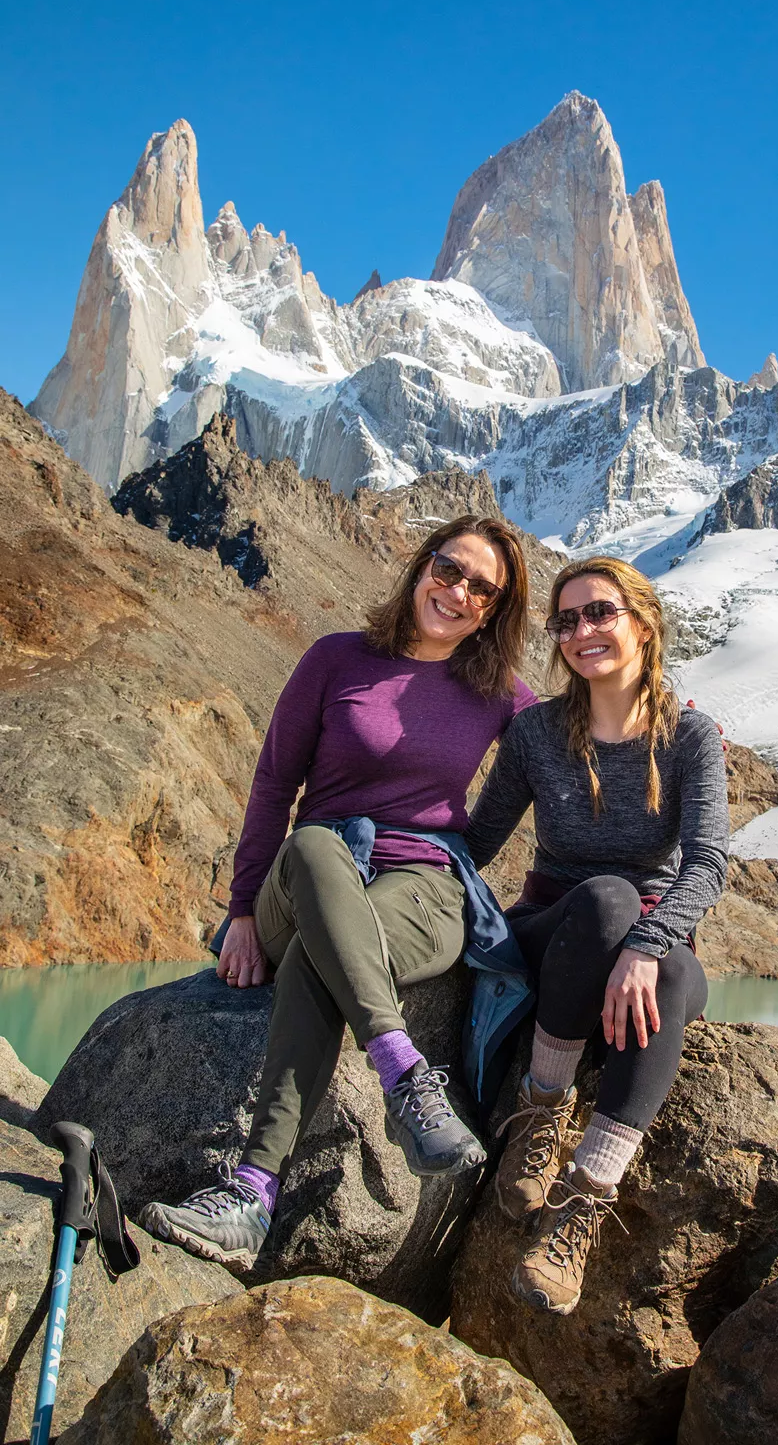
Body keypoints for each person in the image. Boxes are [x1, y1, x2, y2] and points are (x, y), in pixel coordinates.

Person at [140, 515, 537, 1270]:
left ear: (494, 609)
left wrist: (666, 726)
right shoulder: (337, 659)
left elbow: (578, 744)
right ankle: (404, 1072)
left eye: (480, 588)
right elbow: (273, 784)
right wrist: (241, 911)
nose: (456, 592)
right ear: (421, 565)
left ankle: (252, 1192)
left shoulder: (498, 694)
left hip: (421, 886)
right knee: (318, 845)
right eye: (448, 569)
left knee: (321, 962)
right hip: (310, 873)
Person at [465, 555, 729, 1315]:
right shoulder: (536, 733)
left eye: (600, 612)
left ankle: (583, 1196)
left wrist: (648, 951)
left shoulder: (689, 737)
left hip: (647, 940)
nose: (582, 630)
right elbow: (477, 841)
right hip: (560, 928)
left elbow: (708, 863)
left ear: (643, 625)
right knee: (609, 898)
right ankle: (543, 1106)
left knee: (675, 978)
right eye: (567, 619)